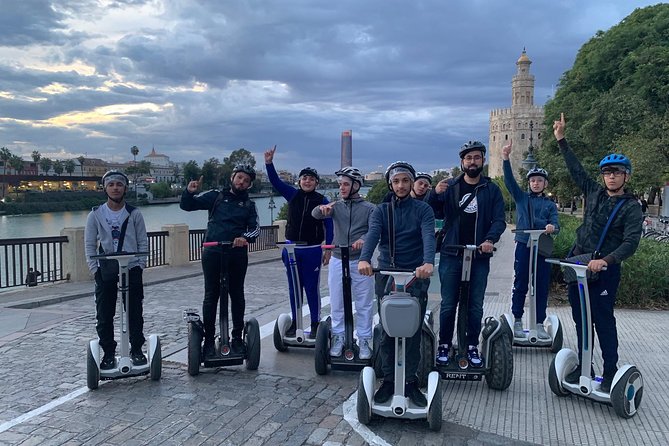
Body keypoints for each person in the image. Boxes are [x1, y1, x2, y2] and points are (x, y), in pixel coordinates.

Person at [553, 113, 642, 393]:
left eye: (616, 172)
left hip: (604, 271)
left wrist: (606, 260)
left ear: (625, 176)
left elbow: (630, 243)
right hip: (579, 265)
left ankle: (610, 369)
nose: (611, 176)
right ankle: (584, 365)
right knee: (581, 319)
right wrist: (561, 140)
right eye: (607, 172)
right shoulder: (593, 192)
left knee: (603, 319)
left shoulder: (631, 207)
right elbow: (576, 170)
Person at [358, 161, 435, 407]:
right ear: (390, 184)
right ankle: (389, 380)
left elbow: (428, 236)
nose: (401, 185)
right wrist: (364, 259)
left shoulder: (423, 210)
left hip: (415, 275)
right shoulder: (381, 211)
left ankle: (411, 382)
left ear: (411, 183)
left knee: (412, 331)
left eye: (405, 180)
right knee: (388, 332)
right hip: (388, 274)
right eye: (396, 181)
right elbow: (372, 235)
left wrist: (427, 262)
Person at [428, 141, 506, 368]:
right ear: (462, 162)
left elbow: (499, 219)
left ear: (483, 160)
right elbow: (429, 210)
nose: (473, 162)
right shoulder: (450, 187)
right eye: (468, 158)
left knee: (475, 304)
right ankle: (444, 343)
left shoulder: (491, 190)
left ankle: (471, 344)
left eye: (477, 157)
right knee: (448, 303)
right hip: (452, 253)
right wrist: (434, 194)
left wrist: (490, 239)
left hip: (479, 256)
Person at [180, 165, 260, 358]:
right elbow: (188, 206)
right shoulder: (216, 196)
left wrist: (244, 238)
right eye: (239, 177)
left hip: (236, 253)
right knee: (211, 295)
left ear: (249, 185)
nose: (241, 182)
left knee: (237, 294)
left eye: (246, 181)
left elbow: (255, 229)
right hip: (213, 251)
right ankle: (208, 340)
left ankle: (237, 339)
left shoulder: (249, 205)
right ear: (233, 177)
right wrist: (189, 193)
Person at [264, 145, 333, 339]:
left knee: (311, 287)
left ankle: (315, 322)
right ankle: (295, 322)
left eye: (311, 179)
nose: (307, 181)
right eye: (304, 178)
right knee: (294, 287)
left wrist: (327, 249)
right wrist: (269, 163)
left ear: (316, 183)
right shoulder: (292, 195)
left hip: (312, 249)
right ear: (299, 181)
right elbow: (276, 182)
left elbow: (329, 224)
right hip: (292, 248)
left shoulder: (322, 199)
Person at [85, 171, 149, 369]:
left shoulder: (134, 213)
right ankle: (108, 352)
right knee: (104, 313)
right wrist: (94, 269)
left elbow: (142, 241)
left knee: (134, 311)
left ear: (125, 188)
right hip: (106, 269)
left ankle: (136, 349)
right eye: (111, 184)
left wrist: (140, 264)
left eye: (119, 184)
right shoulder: (95, 214)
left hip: (131, 267)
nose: (115, 188)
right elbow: (89, 243)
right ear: (105, 188)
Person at [312, 167, 376, 359]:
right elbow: (315, 214)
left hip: (361, 261)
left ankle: (364, 339)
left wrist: (364, 239)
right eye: (340, 184)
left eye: (346, 184)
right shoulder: (336, 206)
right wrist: (321, 209)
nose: (341, 188)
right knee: (337, 301)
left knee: (364, 303)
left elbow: (374, 230)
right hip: (338, 259)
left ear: (356, 186)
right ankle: (338, 337)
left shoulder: (370, 208)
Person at [502, 139, 559, 339]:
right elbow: (509, 182)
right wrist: (506, 159)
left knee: (541, 285)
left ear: (545, 184)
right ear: (529, 183)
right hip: (524, 245)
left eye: (539, 180)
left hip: (541, 248)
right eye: (533, 180)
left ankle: (539, 323)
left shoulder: (549, 205)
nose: (536, 183)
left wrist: (552, 228)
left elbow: (556, 224)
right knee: (521, 283)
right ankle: (517, 319)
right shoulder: (521, 198)